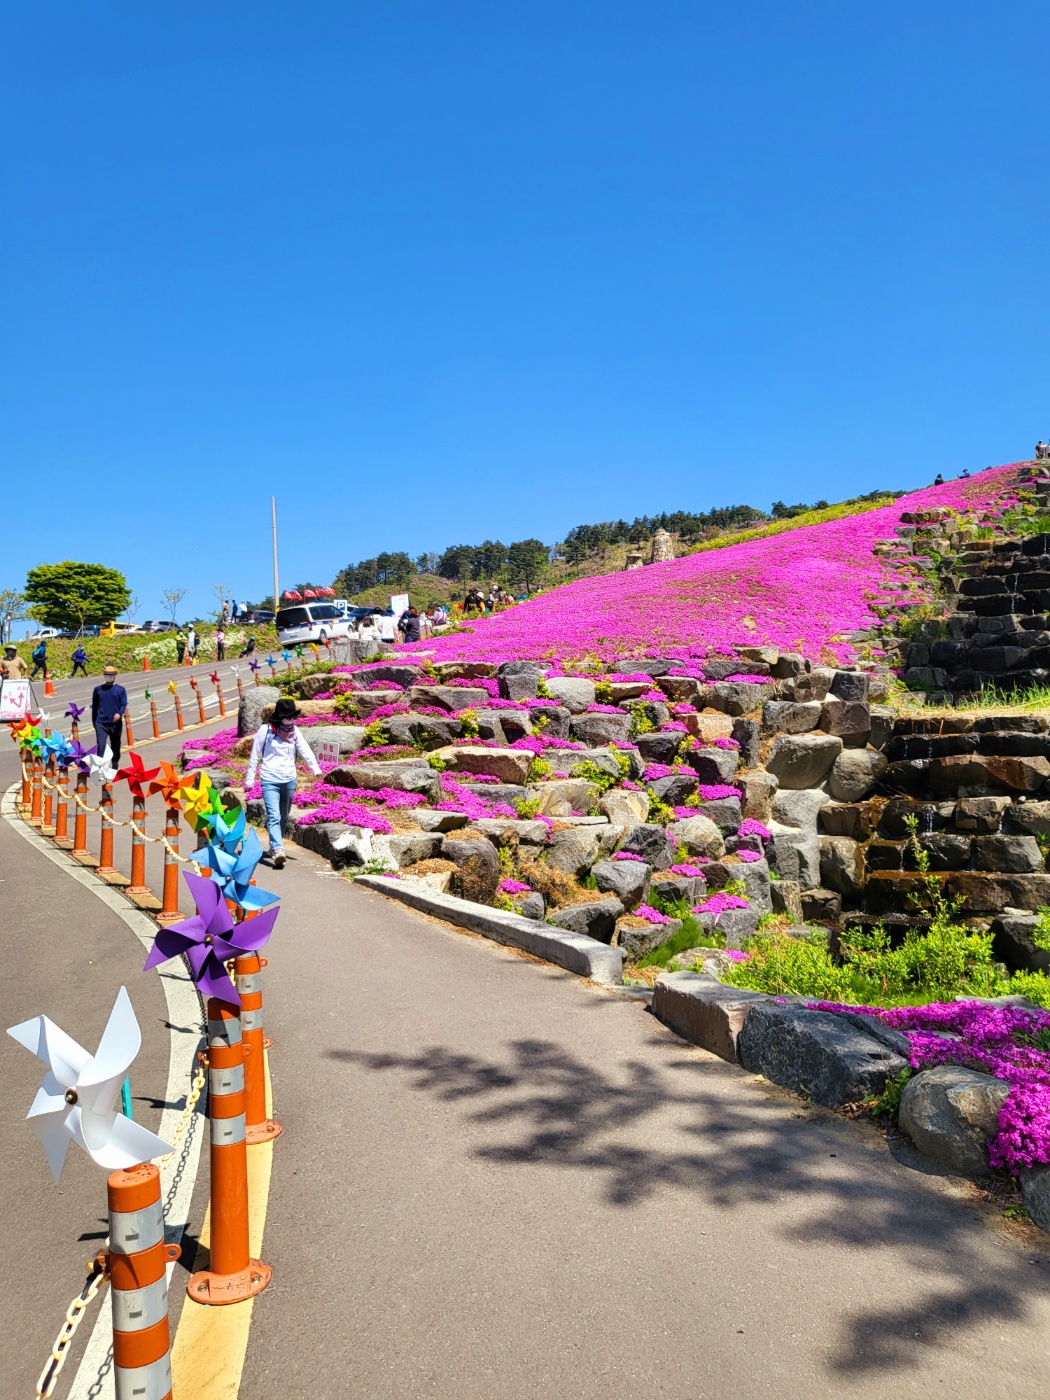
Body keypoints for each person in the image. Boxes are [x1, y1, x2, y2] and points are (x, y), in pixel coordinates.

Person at [244, 697, 321, 868]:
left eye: (293, 717)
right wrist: (249, 780)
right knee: (274, 816)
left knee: (284, 817)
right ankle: (278, 849)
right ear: (279, 717)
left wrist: (315, 768)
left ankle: (273, 846)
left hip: (289, 779)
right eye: (288, 717)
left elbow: (305, 750)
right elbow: (255, 755)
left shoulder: (295, 732)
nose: (291, 720)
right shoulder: (266, 731)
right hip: (269, 778)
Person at [91, 665, 128, 765]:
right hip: (101, 722)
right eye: (107, 675)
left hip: (115, 723)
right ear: (104, 675)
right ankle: (99, 767)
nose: (109, 677)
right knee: (101, 745)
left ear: (115, 675)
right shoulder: (98, 690)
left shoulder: (120, 690)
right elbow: (95, 706)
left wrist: (119, 713)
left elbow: (123, 704)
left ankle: (115, 764)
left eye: (111, 675)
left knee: (115, 745)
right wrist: (94, 722)